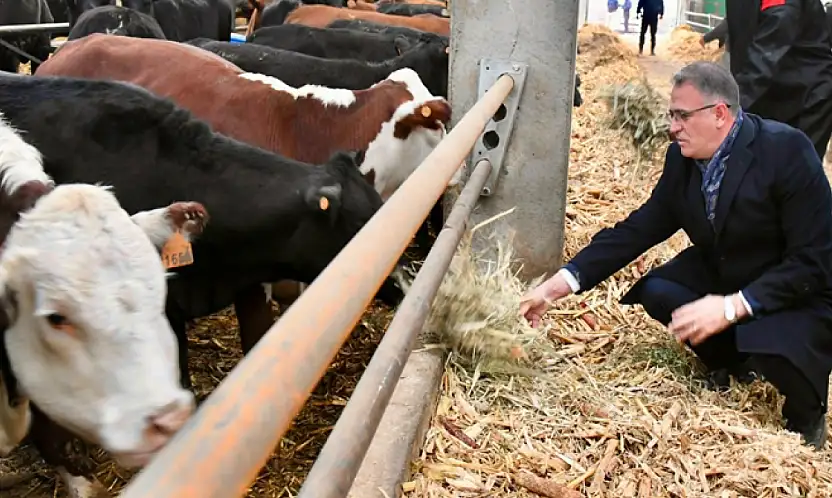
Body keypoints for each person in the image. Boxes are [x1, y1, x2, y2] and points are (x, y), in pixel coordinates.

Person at [520, 62, 832, 450]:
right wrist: (554, 288)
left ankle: (806, 416)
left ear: (719, 114)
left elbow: (814, 261)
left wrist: (733, 307)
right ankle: (734, 362)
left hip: (792, 288)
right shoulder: (682, 160)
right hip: (728, 269)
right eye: (671, 115)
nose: (672, 127)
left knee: (780, 349)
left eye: (682, 116)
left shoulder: (786, 151)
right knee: (660, 291)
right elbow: (637, 230)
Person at [723, 0, 832, 159]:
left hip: (805, 98)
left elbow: (771, 43)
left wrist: (729, 107)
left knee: (793, 167)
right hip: (767, 94)